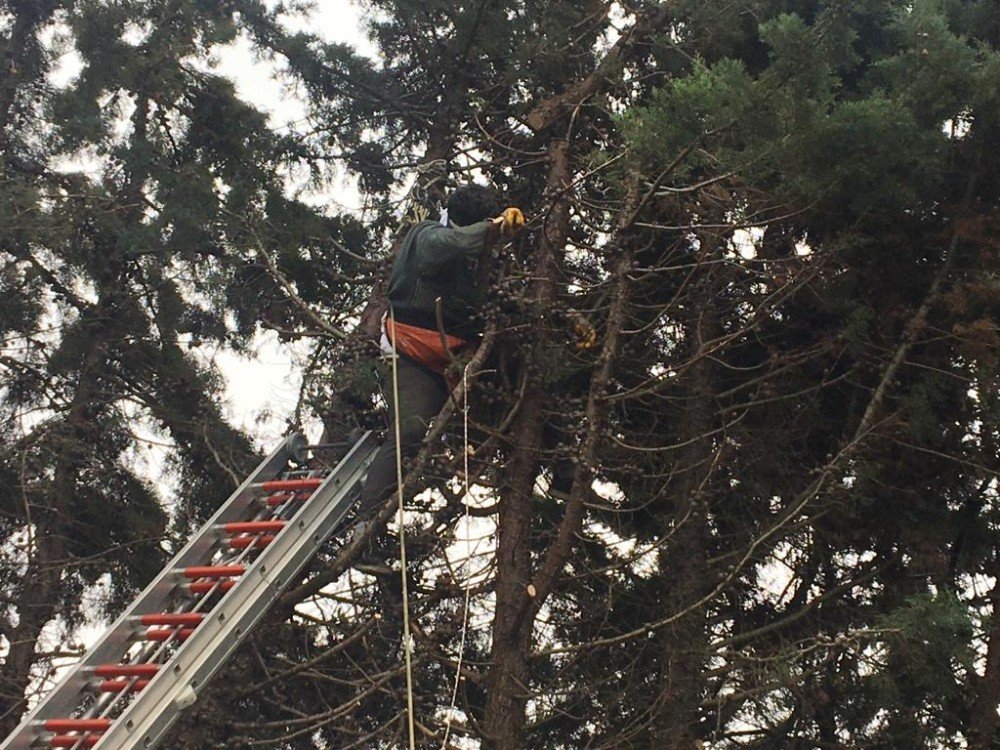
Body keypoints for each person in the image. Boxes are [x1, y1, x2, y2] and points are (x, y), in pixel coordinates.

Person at [353, 184, 525, 531]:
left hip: (454, 357)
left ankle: (559, 468)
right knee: (410, 430)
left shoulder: (480, 259)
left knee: (522, 376)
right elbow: (448, 246)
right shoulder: (428, 236)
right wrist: (493, 228)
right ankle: (367, 521)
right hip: (412, 351)